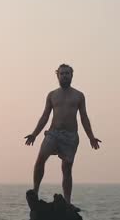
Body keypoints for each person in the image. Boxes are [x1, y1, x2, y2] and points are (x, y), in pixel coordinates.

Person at [24, 63, 101, 203]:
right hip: (54, 133)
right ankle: (35, 191)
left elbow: (84, 117)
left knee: (67, 168)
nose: (65, 76)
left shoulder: (79, 96)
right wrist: (34, 134)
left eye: (67, 73)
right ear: (57, 75)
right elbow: (45, 116)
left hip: (70, 136)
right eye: (62, 73)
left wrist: (91, 137)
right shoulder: (52, 95)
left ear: (72, 75)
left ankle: (67, 201)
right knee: (40, 159)